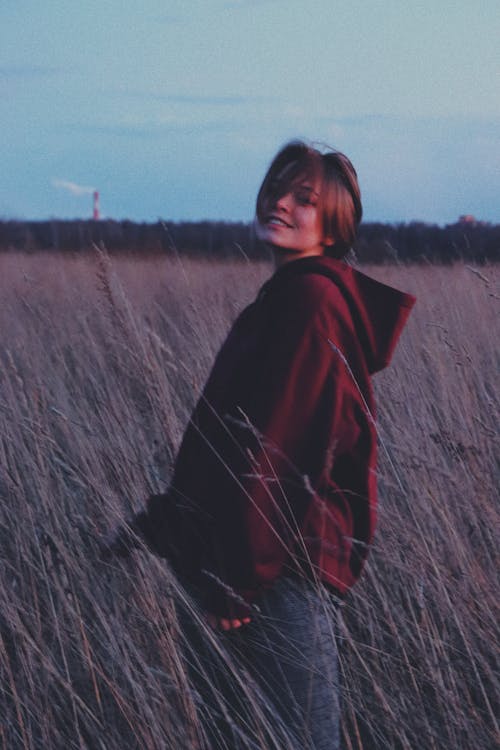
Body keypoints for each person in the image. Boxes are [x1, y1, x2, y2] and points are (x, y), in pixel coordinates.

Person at [105, 140, 416, 748]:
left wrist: (235, 578)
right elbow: (227, 442)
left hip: (269, 573)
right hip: (243, 564)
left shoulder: (312, 301)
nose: (280, 203)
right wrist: (168, 528)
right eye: (277, 188)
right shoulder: (288, 296)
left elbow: (279, 448)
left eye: (305, 199)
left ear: (335, 224)